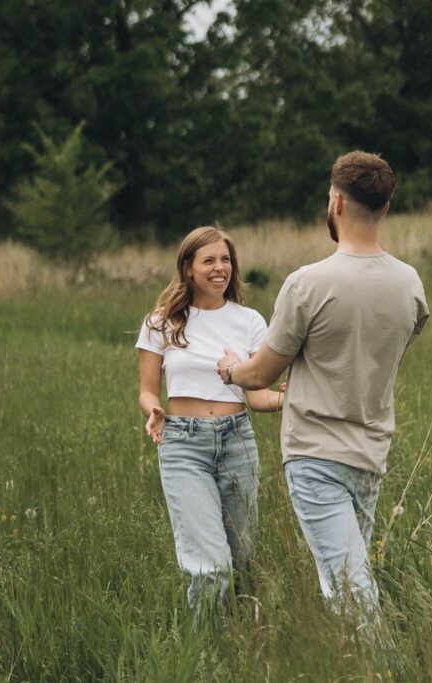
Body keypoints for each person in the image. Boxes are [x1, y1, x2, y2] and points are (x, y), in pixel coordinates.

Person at [216, 151, 429, 621]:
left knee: (349, 593)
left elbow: (261, 374)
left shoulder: (306, 284)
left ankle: (381, 671)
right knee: (351, 581)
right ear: (385, 208)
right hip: (371, 455)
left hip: (316, 457)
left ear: (335, 202)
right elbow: (388, 351)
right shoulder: (409, 284)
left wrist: (231, 369)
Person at [136, 226, 283, 614]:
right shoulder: (160, 322)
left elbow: (257, 396)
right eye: (209, 260)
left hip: (237, 442)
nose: (220, 268)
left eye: (226, 260)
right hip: (184, 445)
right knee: (211, 568)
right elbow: (148, 390)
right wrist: (153, 409)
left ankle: (241, 642)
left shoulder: (250, 321)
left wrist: (288, 399)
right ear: (188, 268)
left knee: (242, 561)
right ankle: (203, 655)